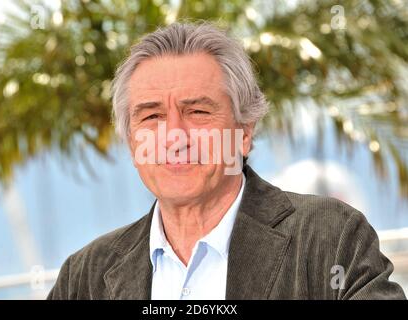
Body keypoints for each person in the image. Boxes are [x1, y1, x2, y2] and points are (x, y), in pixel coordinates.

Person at [47, 22, 406, 300]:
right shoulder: (86, 275)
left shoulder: (331, 237)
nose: (174, 137)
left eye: (198, 111)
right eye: (151, 117)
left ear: (245, 131)